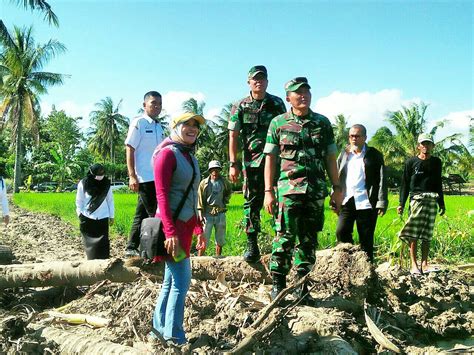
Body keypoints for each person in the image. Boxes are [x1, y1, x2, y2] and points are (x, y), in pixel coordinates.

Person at [263, 77, 343, 300]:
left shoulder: (322, 123)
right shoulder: (278, 123)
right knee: (284, 238)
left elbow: (330, 157)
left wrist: (336, 188)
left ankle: (302, 286)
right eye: (298, 92)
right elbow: (270, 159)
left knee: (308, 241)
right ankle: (278, 285)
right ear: (288, 97)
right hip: (289, 190)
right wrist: (268, 192)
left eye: (306, 91)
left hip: (315, 191)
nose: (303, 95)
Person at [151, 112, 206, 345]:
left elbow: (192, 196)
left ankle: (159, 327)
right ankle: (174, 335)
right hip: (170, 229)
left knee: (170, 281)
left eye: (196, 126)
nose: (192, 129)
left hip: (185, 227)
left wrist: (198, 230)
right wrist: (170, 232)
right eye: (187, 124)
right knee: (182, 282)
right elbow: (161, 195)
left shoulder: (190, 156)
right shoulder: (167, 155)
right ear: (175, 127)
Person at [228, 65, 286, 262]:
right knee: (251, 203)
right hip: (251, 162)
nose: (258, 82)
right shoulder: (241, 105)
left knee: (279, 201)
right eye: (255, 79)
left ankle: (281, 243)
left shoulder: (277, 103)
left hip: (276, 162)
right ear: (249, 82)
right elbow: (233, 134)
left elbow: (286, 129)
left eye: (262, 79)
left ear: (267, 82)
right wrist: (232, 163)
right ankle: (252, 246)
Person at [335, 124, 388, 262]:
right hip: (347, 199)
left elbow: (382, 178)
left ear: (365, 137)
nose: (354, 139)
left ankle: (368, 269)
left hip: (366, 201)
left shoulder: (374, 155)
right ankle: (348, 262)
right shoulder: (344, 154)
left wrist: (381, 202)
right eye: (352, 136)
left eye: (357, 136)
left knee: (366, 238)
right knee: (341, 231)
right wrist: (334, 198)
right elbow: (337, 176)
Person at [397, 133, 445, 275]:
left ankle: (424, 264)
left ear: (433, 146)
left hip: (431, 200)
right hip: (416, 200)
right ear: (419, 146)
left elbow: (438, 183)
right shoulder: (411, 162)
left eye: (428, 143)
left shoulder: (437, 162)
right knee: (414, 233)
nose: (426, 146)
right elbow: (405, 183)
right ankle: (414, 264)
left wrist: (441, 203)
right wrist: (401, 203)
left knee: (427, 233)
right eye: (423, 144)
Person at [124, 91, 164, 257]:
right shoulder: (139, 123)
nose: (156, 107)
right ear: (144, 105)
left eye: (159, 104)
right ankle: (154, 249)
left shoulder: (159, 126)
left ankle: (131, 247)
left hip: (158, 177)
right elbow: (130, 148)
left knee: (140, 213)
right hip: (145, 177)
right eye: (153, 103)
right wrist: (132, 175)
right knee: (153, 214)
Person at [75, 164, 114, 260]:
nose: (100, 177)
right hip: (87, 218)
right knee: (90, 248)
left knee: (103, 245)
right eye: (98, 174)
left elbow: (110, 201)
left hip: (102, 217)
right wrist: (80, 214)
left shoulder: (106, 184)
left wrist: (111, 216)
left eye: (102, 174)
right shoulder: (83, 183)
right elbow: (79, 201)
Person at [197, 160, 232, 256]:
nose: (215, 172)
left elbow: (229, 191)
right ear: (210, 171)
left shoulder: (224, 182)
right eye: (213, 170)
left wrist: (225, 200)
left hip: (220, 213)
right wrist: (200, 214)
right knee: (204, 238)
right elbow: (199, 199)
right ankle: (200, 259)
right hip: (207, 214)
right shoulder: (204, 183)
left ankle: (219, 257)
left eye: (217, 169)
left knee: (220, 239)